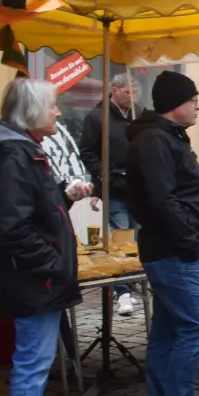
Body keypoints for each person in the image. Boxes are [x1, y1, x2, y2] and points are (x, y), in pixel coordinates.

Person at [0, 79, 85, 396]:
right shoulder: (13, 155)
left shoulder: (24, 150)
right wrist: (53, 264)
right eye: (52, 106)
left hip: (40, 278)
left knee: (35, 365)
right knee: (32, 366)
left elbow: (32, 211)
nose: (58, 112)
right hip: (35, 280)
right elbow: (13, 226)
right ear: (31, 112)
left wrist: (63, 196)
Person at [127, 71, 199, 396]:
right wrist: (189, 240)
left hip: (173, 248)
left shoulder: (165, 136)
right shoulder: (154, 140)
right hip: (174, 251)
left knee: (168, 332)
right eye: (192, 100)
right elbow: (163, 199)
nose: (198, 106)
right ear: (174, 103)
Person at [80, 72, 141, 315]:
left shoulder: (138, 114)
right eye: (127, 92)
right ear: (114, 91)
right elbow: (87, 151)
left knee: (136, 239)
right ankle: (122, 292)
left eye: (134, 92)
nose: (132, 96)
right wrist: (103, 176)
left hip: (137, 189)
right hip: (114, 189)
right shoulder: (97, 117)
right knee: (120, 237)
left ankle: (132, 283)